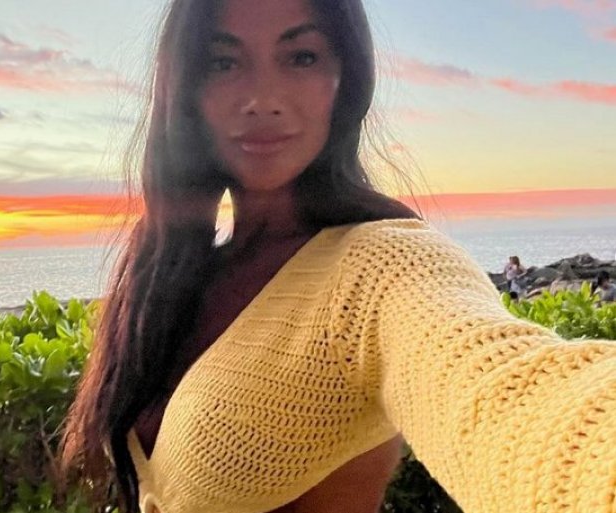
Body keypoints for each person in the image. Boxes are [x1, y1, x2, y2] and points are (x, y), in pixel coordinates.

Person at [60, 1, 616, 512]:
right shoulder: (183, 273)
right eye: (222, 63)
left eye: (301, 57)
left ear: (346, 80)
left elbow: (502, 390)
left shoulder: (381, 265)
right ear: (185, 90)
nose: (263, 99)